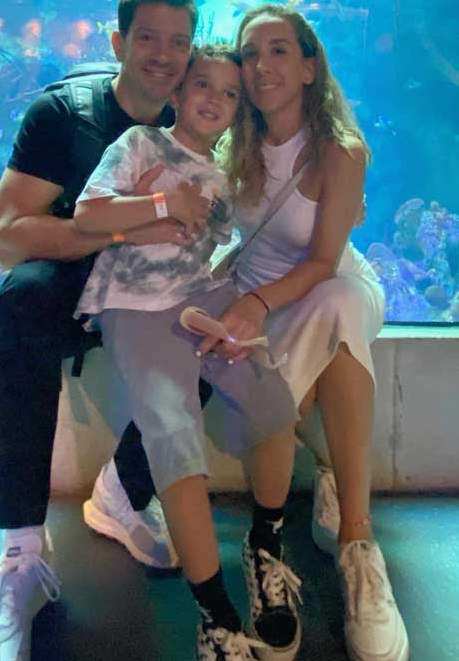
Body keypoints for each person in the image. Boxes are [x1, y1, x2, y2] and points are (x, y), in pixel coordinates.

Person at [0, 0, 207, 661]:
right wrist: (122, 229)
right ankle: (21, 553)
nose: (163, 55)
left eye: (178, 42)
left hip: (154, 288)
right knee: (22, 297)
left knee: (218, 325)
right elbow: (9, 238)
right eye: (147, 38)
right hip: (74, 278)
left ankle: (125, 491)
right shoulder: (64, 115)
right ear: (118, 42)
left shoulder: (199, 115)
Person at [72, 43, 303, 661]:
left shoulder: (224, 179)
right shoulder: (140, 144)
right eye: (203, 85)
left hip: (200, 297)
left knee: (272, 402)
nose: (214, 100)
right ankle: (216, 617)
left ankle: (265, 545)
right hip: (135, 305)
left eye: (230, 94)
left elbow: (215, 246)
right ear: (177, 91)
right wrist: (161, 204)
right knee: (173, 433)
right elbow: (88, 214)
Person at [196, 4, 410, 661]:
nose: (261, 65)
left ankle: (354, 544)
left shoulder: (340, 152)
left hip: (329, 284)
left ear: (310, 66)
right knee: (293, 370)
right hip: (259, 296)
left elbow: (321, 261)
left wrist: (256, 303)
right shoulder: (233, 144)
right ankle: (291, 522)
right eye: (249, 53)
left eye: (279, 50)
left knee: (336, 305)